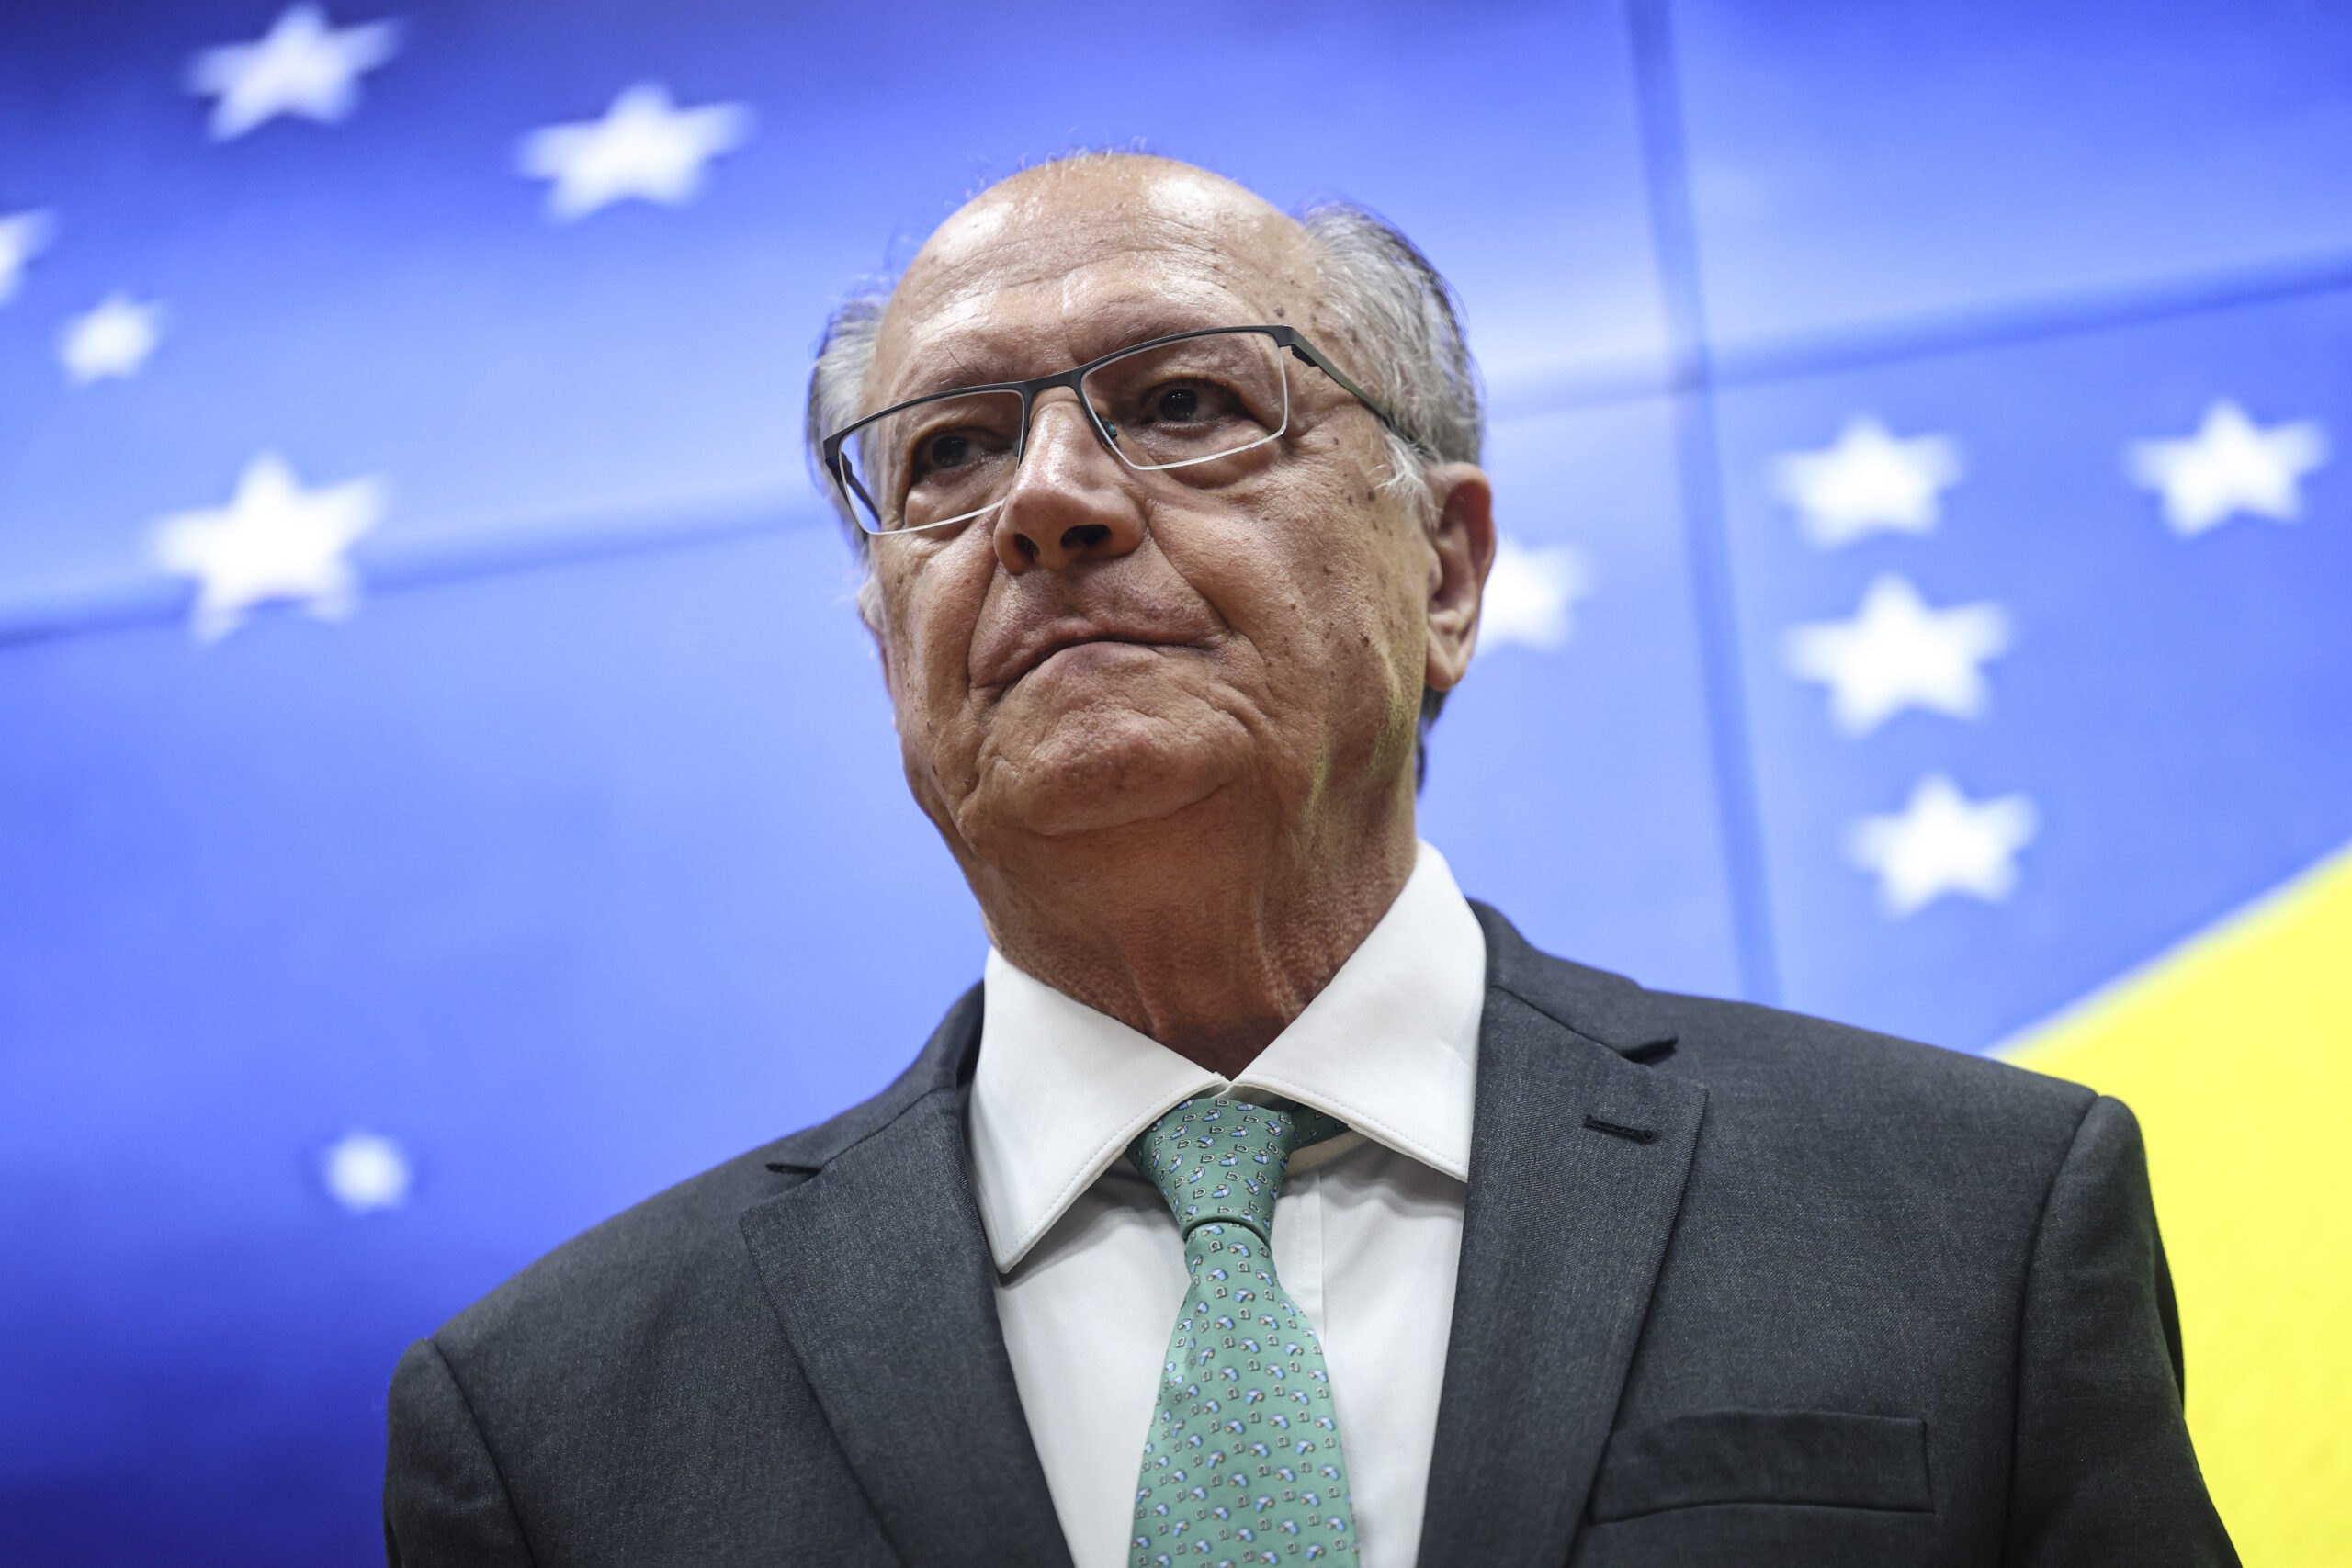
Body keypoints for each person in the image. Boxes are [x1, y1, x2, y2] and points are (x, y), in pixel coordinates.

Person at [381, 153, 2235, 1567]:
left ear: (1446, 571)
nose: (1047, 500)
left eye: (1184, 403)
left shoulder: (1969, 1220)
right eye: (947, 451)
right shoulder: (553, 1421)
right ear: (886, 635)